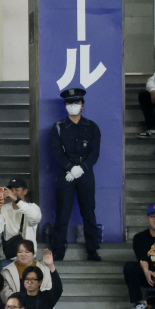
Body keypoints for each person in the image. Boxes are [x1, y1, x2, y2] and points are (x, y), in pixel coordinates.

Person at [49, 88, 101, 262]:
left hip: (85, 172)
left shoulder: (92, 127)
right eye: (70, 103)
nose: (73, 106)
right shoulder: (58, 127)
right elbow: (56, 152)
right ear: (65, 105)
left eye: (77, 102)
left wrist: (82, 167)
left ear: (82, 104)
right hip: (65, 172)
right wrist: (70, 167)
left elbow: (95, 152)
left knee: (89, 211)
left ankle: (92, 249)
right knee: (62, 212)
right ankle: (58, 249)